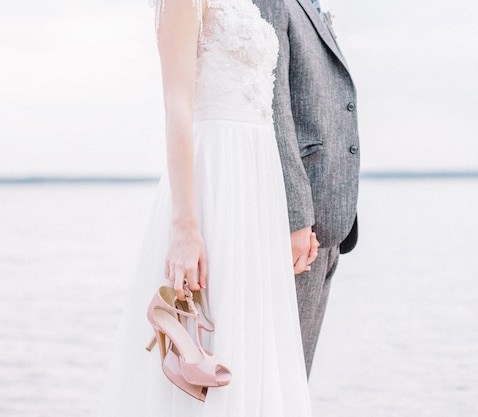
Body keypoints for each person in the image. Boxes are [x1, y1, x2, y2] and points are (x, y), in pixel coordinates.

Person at [97, 0, 317, 415]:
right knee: (213, 325)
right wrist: (184, 227)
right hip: (214, 177)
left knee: (255, 338)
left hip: (258, 180)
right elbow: (177, 105)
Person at [252, 0, 360, 377]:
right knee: (280, 377)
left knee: (296, 375)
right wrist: (296, 217)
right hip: (300, 224)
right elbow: (272, 107)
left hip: (330, 216)